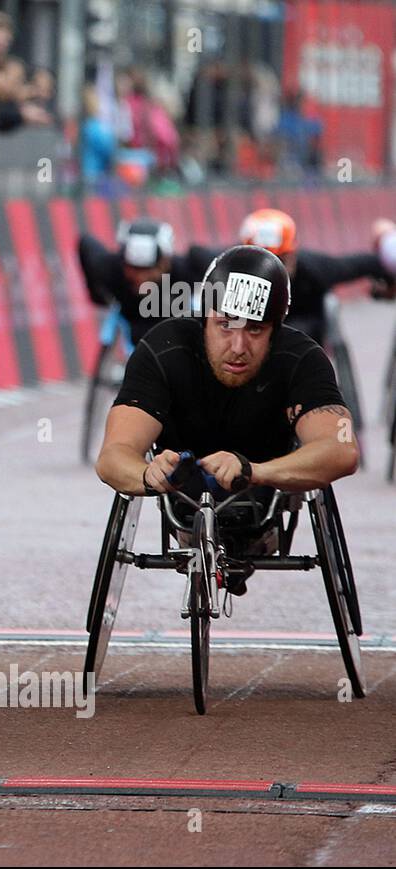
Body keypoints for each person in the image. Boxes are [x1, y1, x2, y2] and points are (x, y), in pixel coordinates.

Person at [95, 244, 358, 593]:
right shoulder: (163, 348)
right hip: (183, 488)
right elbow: (113, 455)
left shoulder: (302, 357)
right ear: (205, 316)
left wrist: (254, 471)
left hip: (263, 490)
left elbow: (342, 450)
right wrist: (146, 473)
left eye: (254, 330)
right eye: (225, 325)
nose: (237, 346)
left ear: (276, 329)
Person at [188, 208, 394, 345]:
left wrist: (388, 286)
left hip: (300, 335)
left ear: (292, 256)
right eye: (257, 263)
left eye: (279, 262)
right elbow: (192, 257)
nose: (267, 274)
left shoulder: (316, 270)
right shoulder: (225, 264)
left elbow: (368, 263)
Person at [78, 218, 205, 348]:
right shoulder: (110, 268)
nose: (140, 277)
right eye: (133, 268)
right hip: (133, 327)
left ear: (165, 262)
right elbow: (85, 243)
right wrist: (97, 295)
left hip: (174, 330)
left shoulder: (184, 270)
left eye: (147, 269)